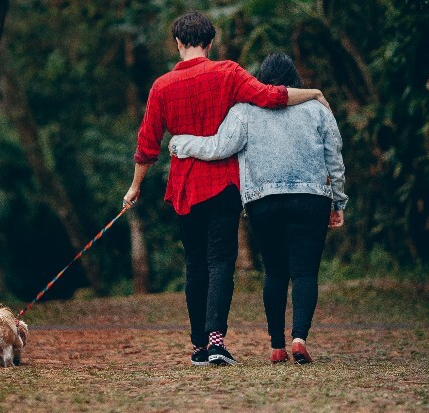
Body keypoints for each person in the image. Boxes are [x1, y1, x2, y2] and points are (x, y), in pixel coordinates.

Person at [123, 12, 330, 366]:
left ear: (178, 43)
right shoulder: (228, 73)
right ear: (210, 41)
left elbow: (147, 144)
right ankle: (217, 342)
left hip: (184, 188)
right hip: (223, 185)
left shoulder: (161, 87)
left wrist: (135, 187)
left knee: (195, 264)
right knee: (220, 262)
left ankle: (199, 346)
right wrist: (313, 93)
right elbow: (270, 97)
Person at [169, 52, 348, 364]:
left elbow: (217, 148)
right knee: (305, 271)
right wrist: (338, 201)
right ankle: (299, 338)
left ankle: (276, 346)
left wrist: (181, 143)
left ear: (261, 81)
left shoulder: (244, 111)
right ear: (295, 80)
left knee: (275, 271)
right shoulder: (317, 109)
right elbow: (335, 157)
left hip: (263, 202)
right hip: (312, 198)